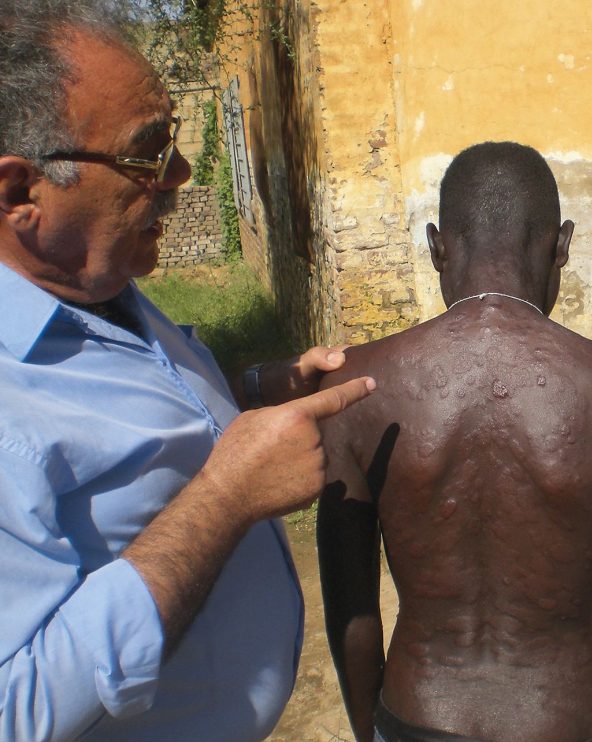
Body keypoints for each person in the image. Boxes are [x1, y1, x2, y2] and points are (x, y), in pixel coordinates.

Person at [0, 2, 375, 739]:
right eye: (145, 153)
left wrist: (254, 391)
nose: (180, 172)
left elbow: (135, 414)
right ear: (20, 196)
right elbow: (18, 708)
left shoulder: (97, 286)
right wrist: (225, 497)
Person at [317, 142, 592, 742]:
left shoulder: (357, 391)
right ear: (561, 244)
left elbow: (353, 619)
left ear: (437, 246)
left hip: (417, 713)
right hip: (563, 719)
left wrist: (372, 732)